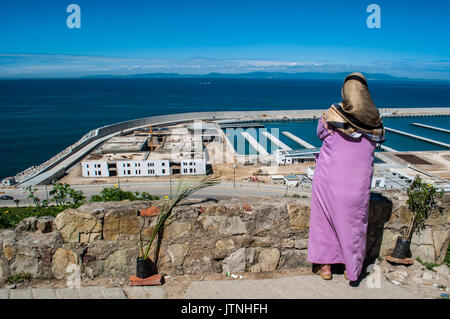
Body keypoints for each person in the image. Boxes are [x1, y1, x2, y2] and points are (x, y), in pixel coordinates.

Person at [307, 72, 385, 282]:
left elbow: (320, 134)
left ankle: (325, 267)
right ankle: (352, 270)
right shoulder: (375, 121)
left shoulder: (332, 115)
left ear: (345, 91)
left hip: (328, 178)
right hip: (357, 185)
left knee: (325, 221)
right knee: (353, 224)